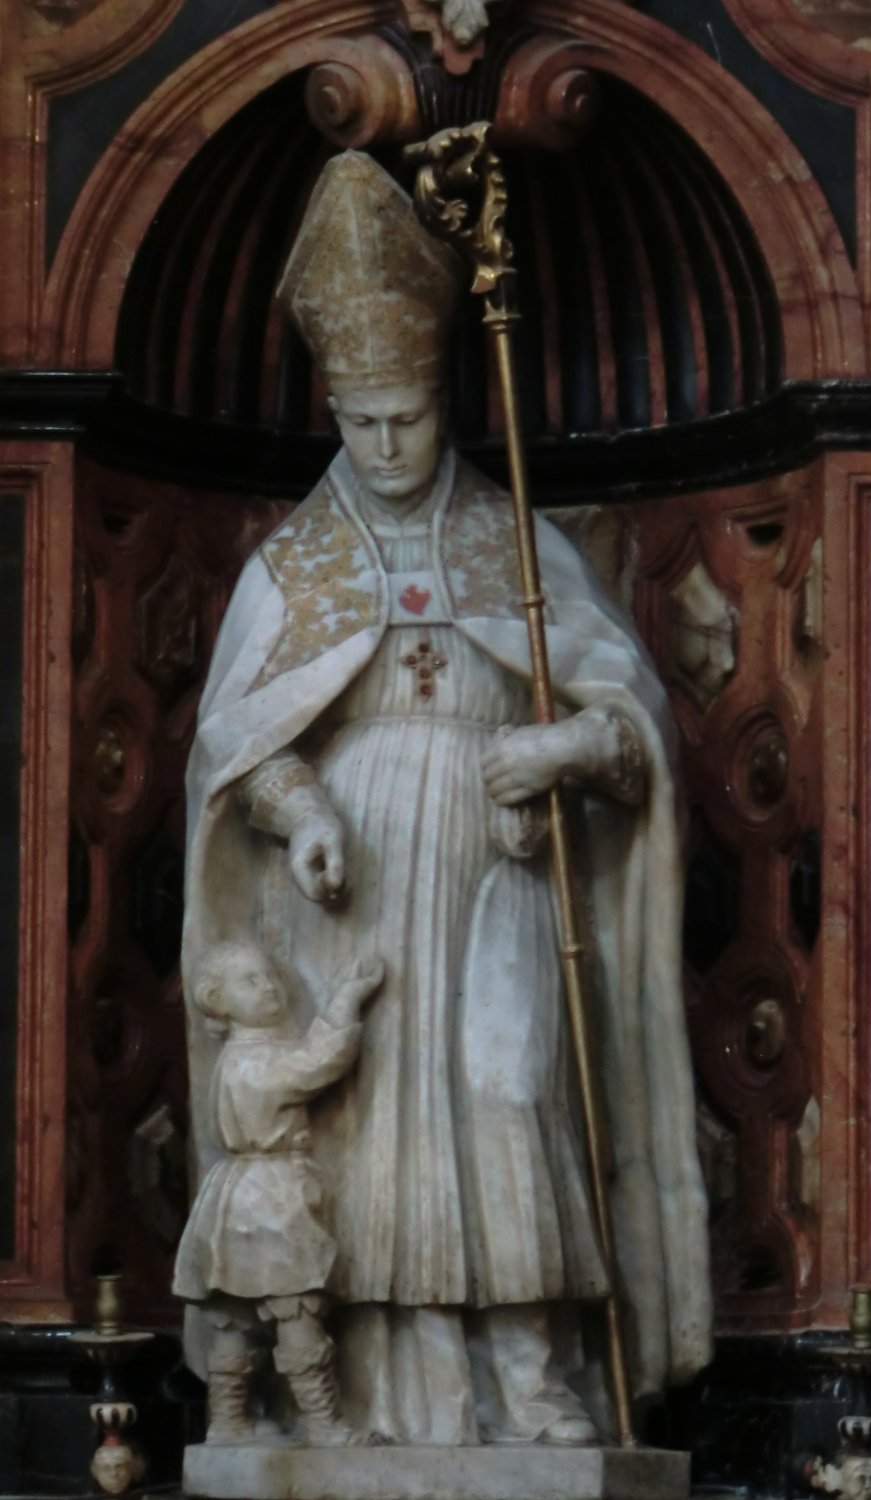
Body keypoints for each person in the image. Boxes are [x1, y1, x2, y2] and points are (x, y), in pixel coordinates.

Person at [182, 150, 711, 1446]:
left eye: (407, 418)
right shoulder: (294, 565)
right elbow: (234, 756)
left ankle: (533, 1381)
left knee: (507, 1107)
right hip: (346, 902)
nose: (385, 446)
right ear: (332, 411)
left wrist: (559, 753)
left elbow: (629, 725)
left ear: (442, 399)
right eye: (360, 424)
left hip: (496, 884)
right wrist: (301, 811)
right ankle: (366, 1391)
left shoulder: (514, 541)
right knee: (362, 1143)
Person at [173, 941, 383, 1444]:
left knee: (235, 1319)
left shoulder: (239, 1055)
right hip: (268, 1199)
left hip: (233, 1198)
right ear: (217, 1001)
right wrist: (346, 1002)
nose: (268, 986)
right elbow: (317, 1063)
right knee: (295, 1311)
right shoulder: (253, 1061)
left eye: (270, 976)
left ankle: (228, 1422)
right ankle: (322, 1424)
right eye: (250, 980)